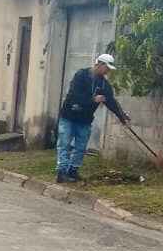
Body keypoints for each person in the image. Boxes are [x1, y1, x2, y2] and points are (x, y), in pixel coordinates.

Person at [56, 53, 130, 183]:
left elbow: (111, 102)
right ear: (99, 64)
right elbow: (74, 95)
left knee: (81, 147)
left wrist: (122, 116)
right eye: (106, 68)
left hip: (85, 120)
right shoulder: (81, 75)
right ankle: (61, 172)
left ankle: (73, 171)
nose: (107, 71)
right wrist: (92, 99)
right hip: (69, 116)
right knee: (64, 144)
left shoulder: (104, 84)